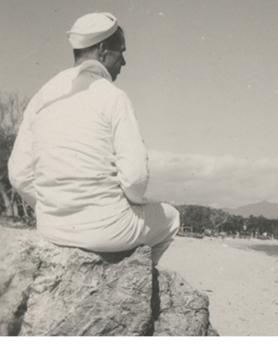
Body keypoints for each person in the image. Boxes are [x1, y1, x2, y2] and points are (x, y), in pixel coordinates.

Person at [8, 12, 179, 264]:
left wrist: (52, 207)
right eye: (121, 51)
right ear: (102, 50)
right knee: (172, 218)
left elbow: (18, 175)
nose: (124, 61)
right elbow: (134, 179)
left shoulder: (42, 96)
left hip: (51, 229)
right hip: (108, 230)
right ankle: (137, 281)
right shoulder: (112, 96)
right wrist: (130, 205)